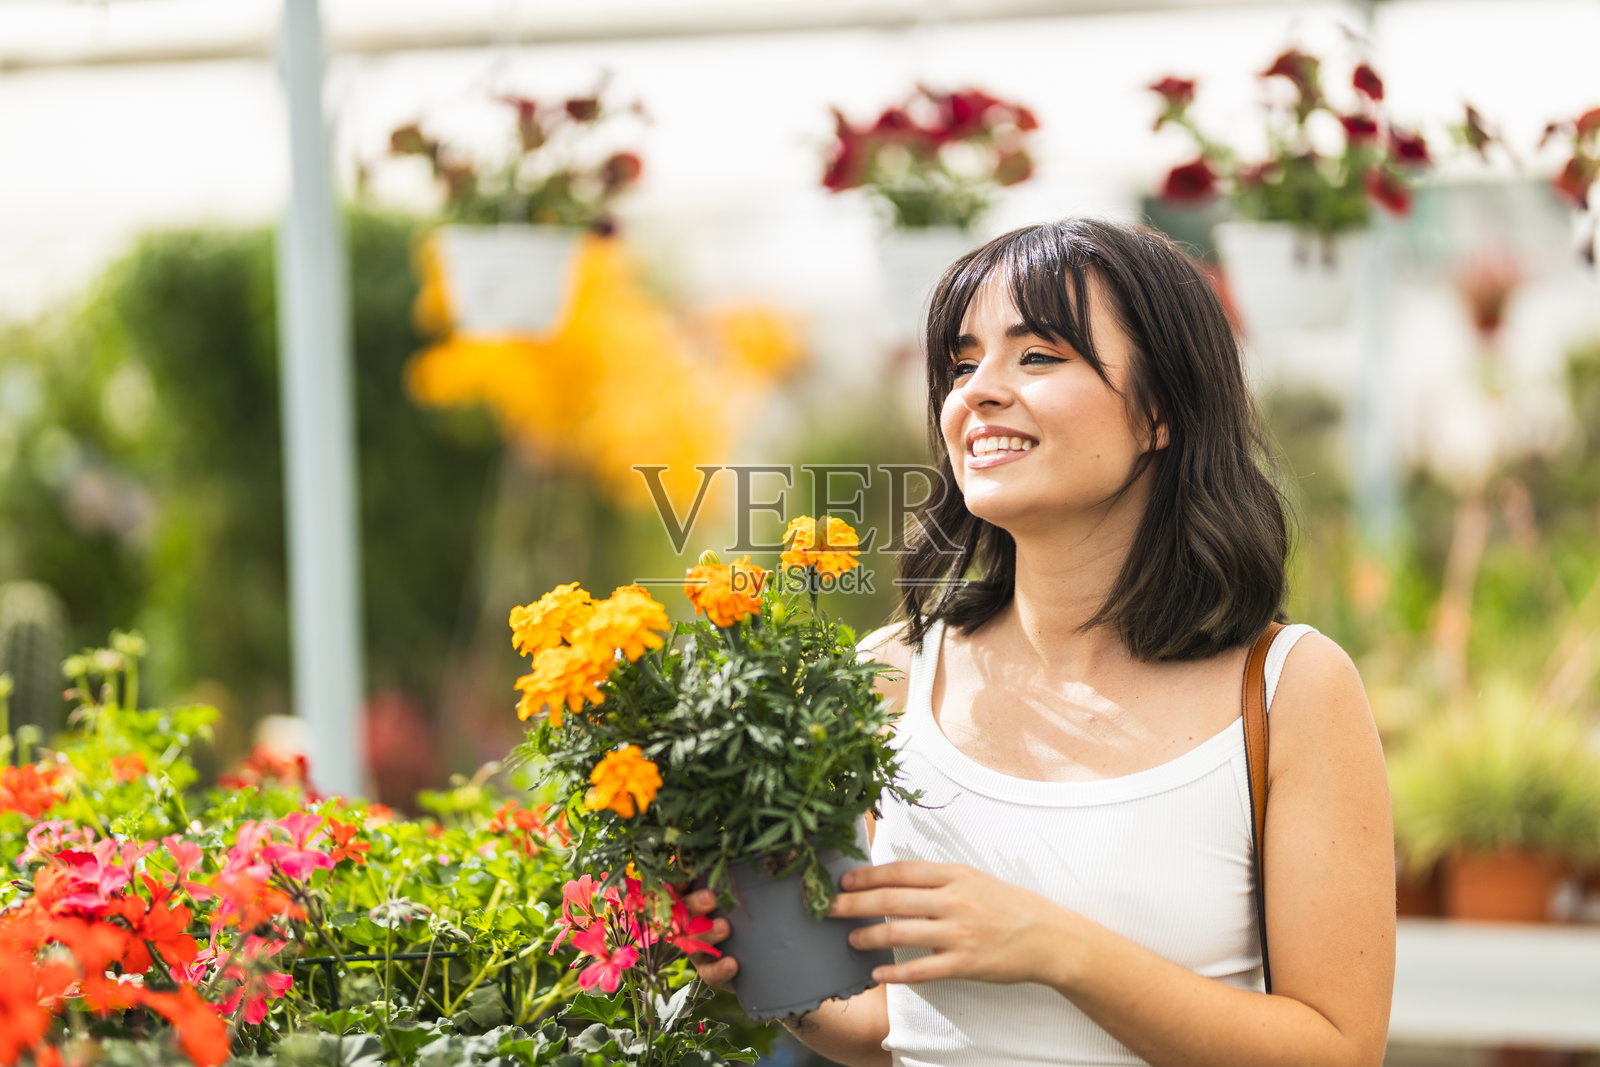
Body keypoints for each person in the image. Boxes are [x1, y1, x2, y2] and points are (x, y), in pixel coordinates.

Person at [685, 217, 1395, 1066]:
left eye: (1038, 355)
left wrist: (1062, 949)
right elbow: (889, 1025)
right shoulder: (889, 675)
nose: (978, 389)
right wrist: (765, 966)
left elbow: (1338, 1050)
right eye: (961, 362)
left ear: (1161, 409)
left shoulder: (1290, 687)